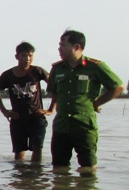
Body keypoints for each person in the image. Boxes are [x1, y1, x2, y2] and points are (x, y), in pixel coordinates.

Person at [46, 29, 123, 169]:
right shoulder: (57, 69)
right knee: (58, 168)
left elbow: (118, 87)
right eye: (59, 45)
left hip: (84, 125)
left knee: (88, 167)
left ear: (77, 47)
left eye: (63, 45)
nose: (59, 49)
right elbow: (54, 93)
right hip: (61, 126)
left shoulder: (95, 67)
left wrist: (97, 103)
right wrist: (51, 109)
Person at [0, 42, 50, 162]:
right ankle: (20, 177)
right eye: (24, 55)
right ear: (17, 57)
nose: (27, 59)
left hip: (36, 117)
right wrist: (4, 111)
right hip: (18, 118)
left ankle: (35, 174)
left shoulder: (37, 71)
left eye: (30, 55)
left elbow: (56, 87)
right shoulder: (8, 75)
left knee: (37, 147)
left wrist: (51, 109)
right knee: (19, 152)